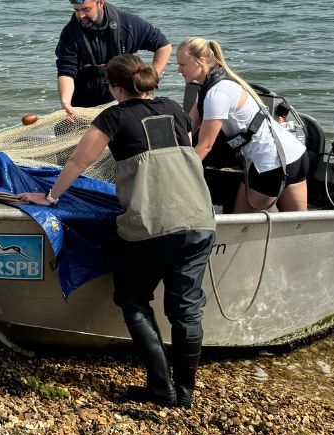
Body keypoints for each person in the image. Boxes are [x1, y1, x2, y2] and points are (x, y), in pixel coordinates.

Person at [18, 54, 215, 408]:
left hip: (152, 226)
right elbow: (180, 153)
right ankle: (185, 392)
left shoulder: (113, 115)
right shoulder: (173, 107)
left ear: (114, 88)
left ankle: (161, 387)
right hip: (200, 221)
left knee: (134, 299)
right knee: (185, 311)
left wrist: (50, 197)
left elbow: (80, 160)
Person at [176, 37, 307, 214]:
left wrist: (177, 175)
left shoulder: (217, 94)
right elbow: (188, 127)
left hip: (270, 165)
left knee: (242, 229)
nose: (178, 70)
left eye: (182, 64)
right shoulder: (216, 85)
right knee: (297, 226)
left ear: (200, 61)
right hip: (295, 155)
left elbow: (205, 146)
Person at [56, 0, 172, 119]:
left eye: (86, 9)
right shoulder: (70, 33)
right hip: (83, 100)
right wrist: (66, 102)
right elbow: (66, 72)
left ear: (100, 3)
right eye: (77, 10)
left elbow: (164, 46)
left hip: (123, 96)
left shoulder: (127, 24)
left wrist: (150, 81)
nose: (81, 16)